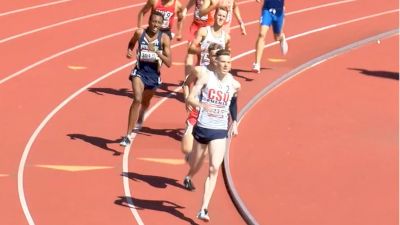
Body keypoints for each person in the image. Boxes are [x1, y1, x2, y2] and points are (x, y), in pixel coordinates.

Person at [183, 49, 240, 222]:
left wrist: (235, 122)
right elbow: (190, 98)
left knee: (214, 167)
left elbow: (233, 104)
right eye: (223, 62)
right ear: (215, 62)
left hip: (219, 130)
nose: (226, 65)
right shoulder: (206, 78)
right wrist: (200, 105)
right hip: (202, 127)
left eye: (229, 62)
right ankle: (188, 175)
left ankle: (204, 209)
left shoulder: (234, 84)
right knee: (197, 162)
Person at [120, 11, 172, 147]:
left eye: (159, 23)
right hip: (139, 71)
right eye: (154, 21)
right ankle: (128, 135)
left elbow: (169, 62)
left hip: (153, 75)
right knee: (137, 98)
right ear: (149, 21)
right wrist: (130, 50)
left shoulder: (164, 38)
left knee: (145, 101)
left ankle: (142, 113)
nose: (155, 25)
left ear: (162, 25)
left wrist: (157, 52)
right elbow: (131, 43)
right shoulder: (139, 33)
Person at [181, 43, 224, 157]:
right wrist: (187, 99)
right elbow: (186, 84)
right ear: (208, 56)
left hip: (213, 114)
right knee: (186, 149)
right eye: (213, 55)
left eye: (218, 55)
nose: (216, 58)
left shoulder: (225, 73)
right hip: (197, 110)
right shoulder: (200, 70)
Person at [184, 6, 231, 85]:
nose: (221, 18)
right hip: (203, 70)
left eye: (223, 16)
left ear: (226, 19)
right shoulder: (204, 31)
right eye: (219, 15)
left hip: (217, 74)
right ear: (214, 15)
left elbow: (228, 54)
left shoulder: (226, 37)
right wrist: (204, 50)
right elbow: (190, 49)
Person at [252, 0, 288, 73]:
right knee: (261, 34)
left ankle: (281, 37)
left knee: (277, 37)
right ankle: (257, 63)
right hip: (267, 10)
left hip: (279, 12)